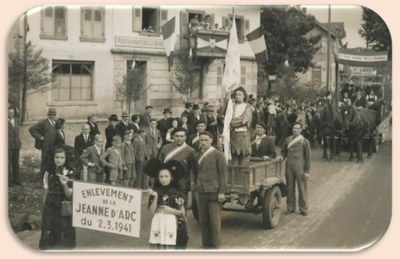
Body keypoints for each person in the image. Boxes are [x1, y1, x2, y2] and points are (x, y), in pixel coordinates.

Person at [194, 131, 227, 249]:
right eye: (201, 140)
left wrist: (222, 192)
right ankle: (206, 244)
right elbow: (195, 173)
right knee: (203, 220)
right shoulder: (197, 155)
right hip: (201, 191)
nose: (203, 142)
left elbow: (222, 175)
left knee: (214, 221)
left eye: (205, 140)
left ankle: (215, 245)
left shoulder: (218, 154)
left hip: (214, 191)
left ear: (211, 140)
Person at [144, 159, 187, 250]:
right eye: (161, 177)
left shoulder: (176, 193)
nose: (163, 179)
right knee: (157, 246)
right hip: (158, 222)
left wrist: (171, 210)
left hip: (171, 223)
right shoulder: (155, 192)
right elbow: (152, 212)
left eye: (166, 176)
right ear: (158, 178)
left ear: (171, 177)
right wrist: (155, 197)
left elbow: (182, 213)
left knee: (169, 246)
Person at [39, 147, 75, 250]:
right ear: (53, 158)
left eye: (62, 157)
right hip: (50, 204)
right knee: (48, 228)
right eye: (57, 157)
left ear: (66, 159)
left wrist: (64, 185)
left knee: (63, 229)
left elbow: (70, 195)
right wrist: (44, 206)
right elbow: (45, 190)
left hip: (64, 204)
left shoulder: (70, 172)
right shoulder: (48, 172)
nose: (59, 160)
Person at [158, 127, 196, 209]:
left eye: (182, 136)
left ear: (185, 137)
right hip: (166, 184)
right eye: (177, 136)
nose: (179, 138)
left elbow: (193, 170)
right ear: (173, 136)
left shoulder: (190, 151)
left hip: (182, 186)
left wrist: (192, 186)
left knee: (180, 209)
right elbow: (159, 166)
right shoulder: (165, 148)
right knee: (165, 208)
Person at [278, 122, 311, 216]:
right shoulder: (287, 139)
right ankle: (290, 207)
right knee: (290, 187)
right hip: (289, 165)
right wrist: (281, 156)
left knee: (302, 188)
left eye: (297, 128)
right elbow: (283, 152)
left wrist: (307, 171)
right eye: (294, 128)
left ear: (301, 130)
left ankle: (303, 208)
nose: (295, 130)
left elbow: (308, 157)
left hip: (300, 165)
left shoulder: (304, 141)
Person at [29, 107, 58, 177]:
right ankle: (43, 178)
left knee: (53, 161)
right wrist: (40, 137)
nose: (52, 116)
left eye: (53, 115)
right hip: (46, 146)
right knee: (45, 161)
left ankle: (52, 177)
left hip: (54, 146)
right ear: (48, 115)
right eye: (50, 114)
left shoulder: (56, 123)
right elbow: (32, 129)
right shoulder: (43, 123)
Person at [230, 87, 253, 165]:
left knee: (242, 157)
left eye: (240, 94)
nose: (237, 96)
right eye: (236, 94)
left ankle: (242, 175)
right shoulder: (232, 106)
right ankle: (234, 176)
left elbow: (245, 120)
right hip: (233, 134)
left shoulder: (247, 106)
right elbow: (226, 118)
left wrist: (233, 123)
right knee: (234, 158)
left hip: (243, 134)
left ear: (244, 96)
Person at [8, 107, 21, 187]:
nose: (11, 114)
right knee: (8, 164)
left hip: (16, 145)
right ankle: (8, 182)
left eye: (12, 112)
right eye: (9, 112)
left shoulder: (16, 121)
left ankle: (17, 180)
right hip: (8, 146)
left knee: (16, 163)